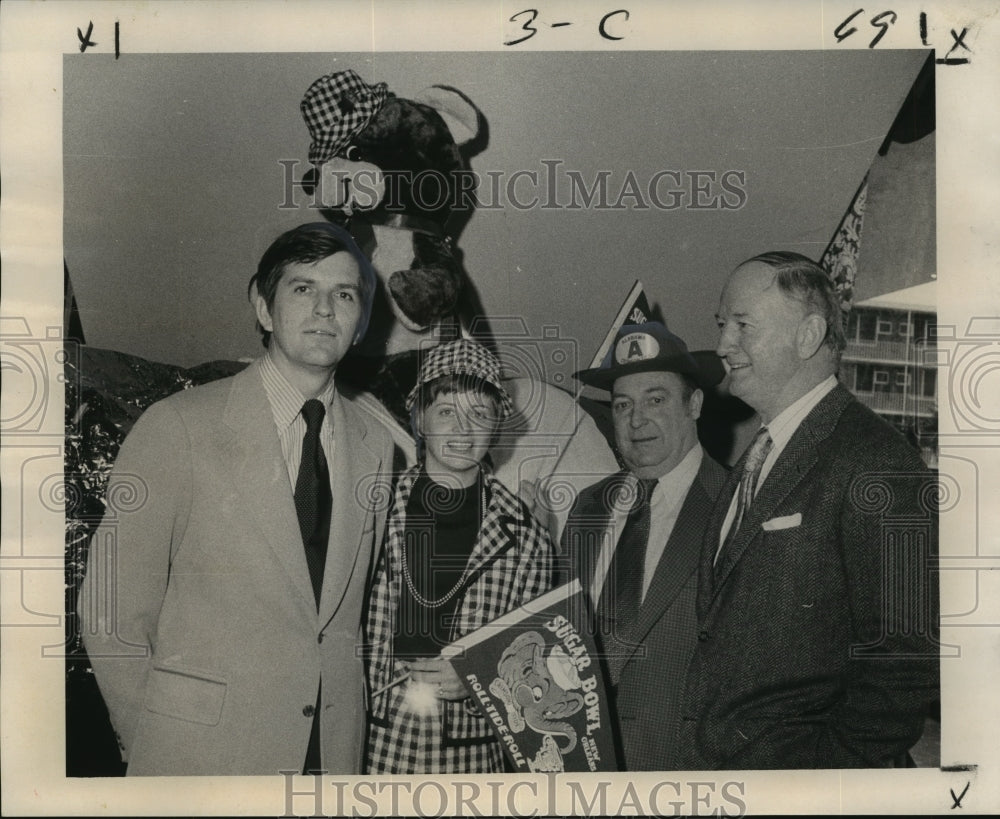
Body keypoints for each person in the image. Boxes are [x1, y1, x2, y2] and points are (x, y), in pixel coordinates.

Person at [79, 222, 395, 776]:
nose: (325, 309)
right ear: (263, 306)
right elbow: (109, 610)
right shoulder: (178, 426)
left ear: (361, 320)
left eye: (344, 294)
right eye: (303, 288)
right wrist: (153, 742)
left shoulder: (378, 446)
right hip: (197, 758)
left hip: (330, 757)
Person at [679, 251, 939, 769]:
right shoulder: (758, 454)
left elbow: (905, 660)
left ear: (807, 335)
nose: (724, 344)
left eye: (742, 325)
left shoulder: (875, 458)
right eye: (721, 325)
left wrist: (821, 774)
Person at [364, 338, 554, 774]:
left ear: (497, 426)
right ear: (419, 419)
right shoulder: (374, 507)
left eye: (480, 414)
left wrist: (480, 674)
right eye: (447, 411)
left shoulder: (526, 535)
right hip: (373, 741)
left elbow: (539, 655)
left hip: (470, 756)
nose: (462, 430)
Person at [560, 320, 728, 771]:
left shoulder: (737, 507)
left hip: (682, 775)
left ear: (694, 404)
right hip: (581, 770)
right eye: (622, 405)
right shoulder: (588, 507)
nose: (636, 420)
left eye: (656, 399)